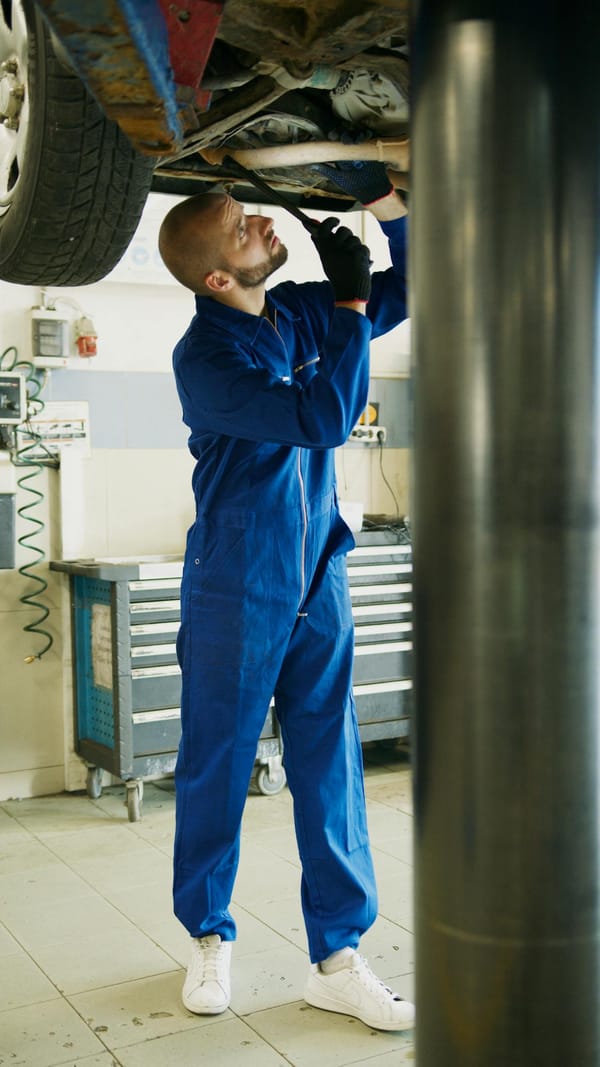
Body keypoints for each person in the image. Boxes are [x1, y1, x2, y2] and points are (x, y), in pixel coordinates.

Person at [158, 161, 413, 1033]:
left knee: (330, 765)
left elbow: (417, 283)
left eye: (251, 214)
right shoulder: (207, 358)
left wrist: (387, 206)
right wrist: (349, 310)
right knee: (218, 763)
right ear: (216, 278)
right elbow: (320, 420)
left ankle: (337, 957)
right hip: (237, 582)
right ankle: (208, 937)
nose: (264, 224)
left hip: (316, 573)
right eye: (242, 229)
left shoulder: (300, 307)